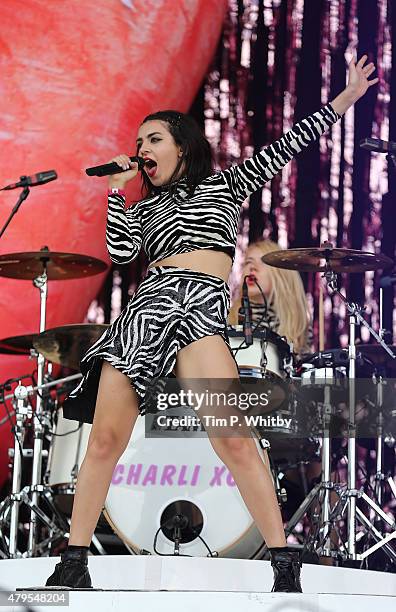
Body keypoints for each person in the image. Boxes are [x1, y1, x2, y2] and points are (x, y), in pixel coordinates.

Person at [45, 55, 377, 592]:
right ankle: (76, 559)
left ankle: (281, 558)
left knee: (234, 437)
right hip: (147, 309)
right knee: (104, 439)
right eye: (139, 142)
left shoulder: (226, 185)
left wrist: (344, 99)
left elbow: (288, 145)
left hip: (198, 310)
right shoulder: (144, 206)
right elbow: (119, 249)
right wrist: (115, 190)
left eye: (153, 139)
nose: (143, 149)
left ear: (181, 145)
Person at [229, 239, 312, 355]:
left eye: (263, 262)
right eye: (248, 262)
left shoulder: (298, 326)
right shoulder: (226, 321)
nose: (252, 268)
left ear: (281, 273)